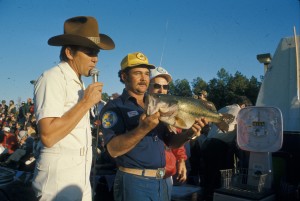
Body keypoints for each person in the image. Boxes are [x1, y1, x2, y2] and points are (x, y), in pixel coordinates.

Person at [100, 52, 206, 201]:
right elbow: (113, 150)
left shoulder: (156, 105)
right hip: (134, 182)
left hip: (162, 182)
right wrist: (142, 129)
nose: (144, 78)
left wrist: (188, 133)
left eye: (146, 74)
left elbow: (170, 143)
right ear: (124, 77)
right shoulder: (114, 107)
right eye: (137, 73)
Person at [32, 16, 115, 201]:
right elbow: (48, 135)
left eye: (97, 53)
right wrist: (85, 103)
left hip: (79, 176)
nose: (95, 59)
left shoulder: (79, 83)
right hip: (58, 180)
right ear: (69, 53)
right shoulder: (52, 78)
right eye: (89, 52)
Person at [201, 95, 252, 200]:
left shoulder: (224, 108)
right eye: (246, 108)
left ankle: (206, 196)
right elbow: (242, 131)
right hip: (219, 146)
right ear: (243, 105)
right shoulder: (240, 112)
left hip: (207, 143)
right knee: (221, 177)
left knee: (207, 176)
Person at [148, 66, 188, 198]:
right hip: (145, 178)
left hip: (166, 175)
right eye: (157, 86)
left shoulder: (171, 109)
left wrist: (181, 160)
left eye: (165, 87)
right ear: (147, 86)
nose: (162, 90)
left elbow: (176, 138)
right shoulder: (142, 108)